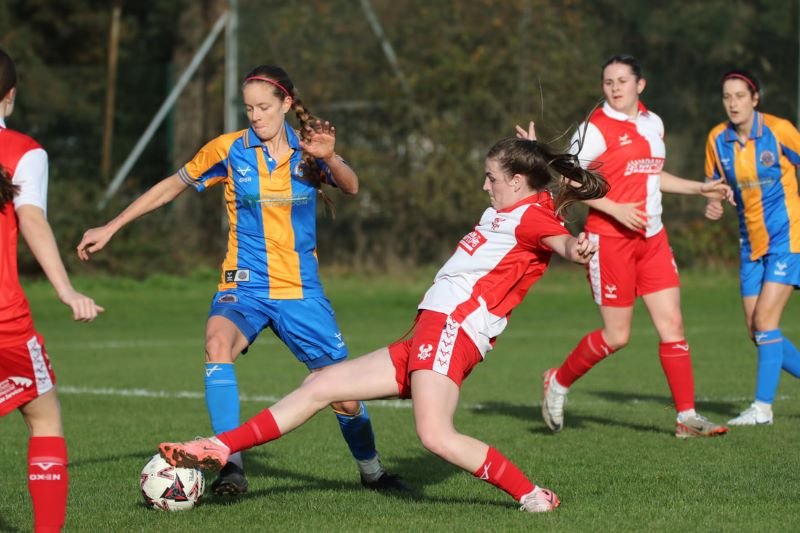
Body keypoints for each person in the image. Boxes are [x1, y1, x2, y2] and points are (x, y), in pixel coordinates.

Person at [158, 136, 608, 512]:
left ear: (515, 181)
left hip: (452, 330)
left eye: (492, 177)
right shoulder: (517, 207)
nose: (484, 184)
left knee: (435, 435)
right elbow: (544, 201)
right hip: (430, 331)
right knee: (323, 385)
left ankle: (533, 496)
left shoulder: (531, 216)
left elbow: (559, 241)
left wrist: (577, 250)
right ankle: (220, 447)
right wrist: (531, 153)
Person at [76, 65, 405, 495]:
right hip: (243, 285)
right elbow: (171, 186)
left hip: (299, 291)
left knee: (344, 395)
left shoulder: (309, 150)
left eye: (264, 107)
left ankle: (373, 472)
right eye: (249, 108)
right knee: (216, 342)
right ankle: (231, 464)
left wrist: (328, 158)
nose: (255, 116)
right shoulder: (228, 149)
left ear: (287, 104)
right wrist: (112, 226)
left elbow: (352, 185)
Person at [529, 54, 732, 438]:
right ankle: (558, 380)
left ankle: (686, 418)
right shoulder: (594, 128)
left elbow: (654, 174)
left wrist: (698, 187)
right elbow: (569, 183)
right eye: (608, 82)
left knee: (672, 324)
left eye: (622, 80)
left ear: (640, 85)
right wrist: (615, 208)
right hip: (610, 242)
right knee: (617, 336)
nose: (615, 88)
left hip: (652, 239)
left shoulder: (653, 123)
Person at [0, 48, 104, 533]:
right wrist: (65, 289)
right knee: (44, 420)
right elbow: (33, 220)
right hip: (5, 319)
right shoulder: (23, 151)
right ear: (10, 97)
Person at [704, 70, 800, 425]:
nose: (733, 103)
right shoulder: (717, 139)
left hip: (788, 238)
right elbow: (712, 187)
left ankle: (762, 409)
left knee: (766, 320)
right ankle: (762, 406)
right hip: (751, 242)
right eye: (727, 97)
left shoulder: (780, 130)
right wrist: (713, 202)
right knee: (756, 330)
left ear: (754, 99)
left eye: (740, 96)